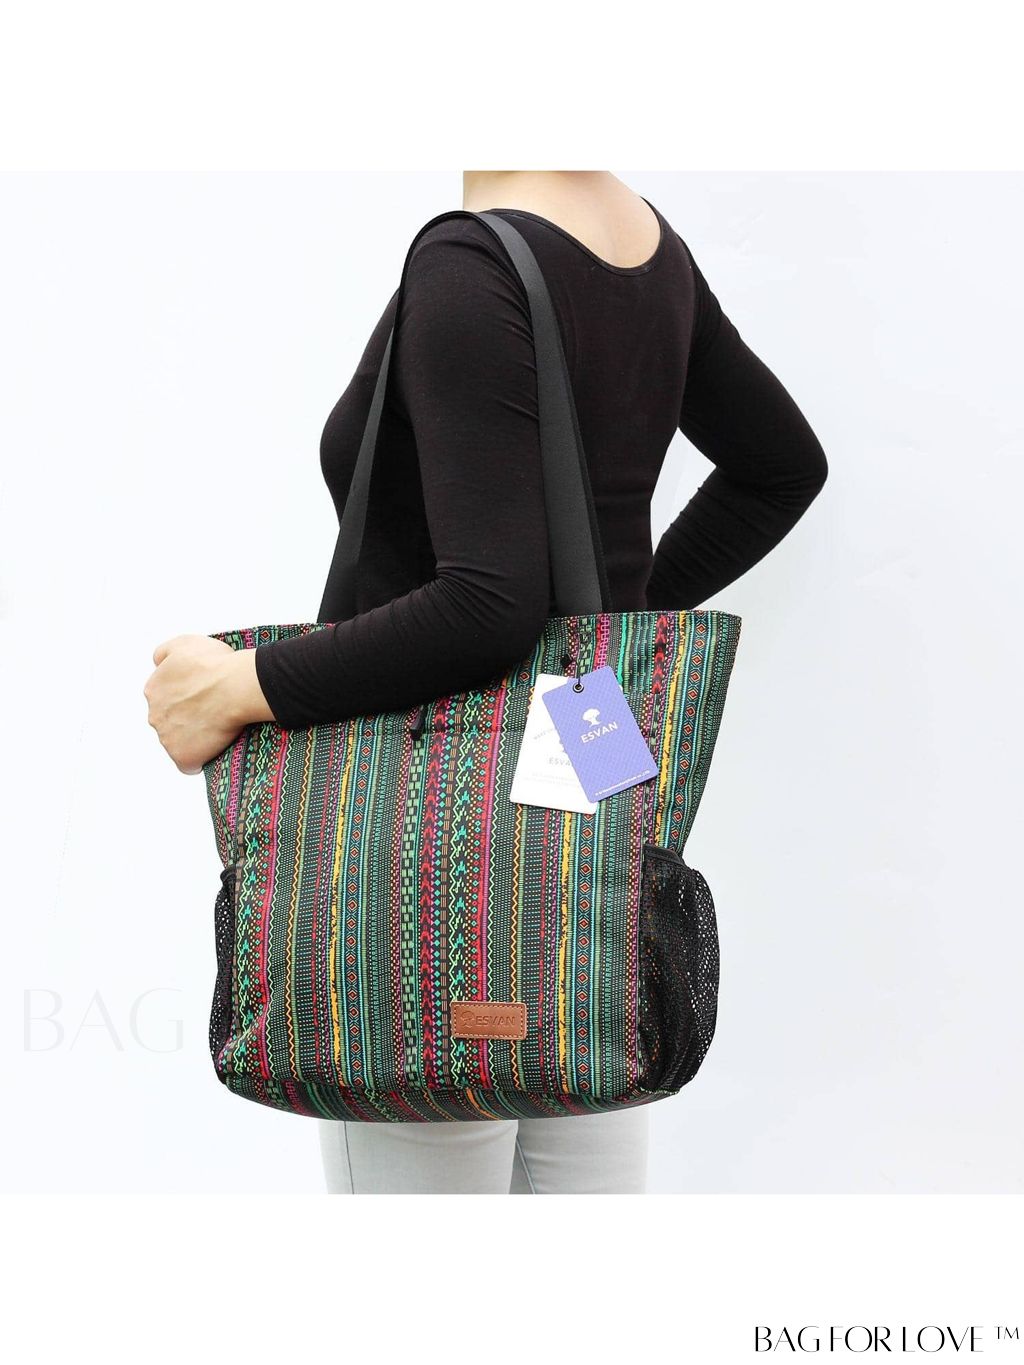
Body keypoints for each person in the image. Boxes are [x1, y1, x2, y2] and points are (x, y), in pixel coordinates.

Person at [145, 170, 828, 1194]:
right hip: (584, 760)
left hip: (417, 843)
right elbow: (780, 467)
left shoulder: (467, 263)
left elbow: (486, 602)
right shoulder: (644, 246)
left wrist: (243, 684)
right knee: (584, 1132)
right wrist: (602, 645)